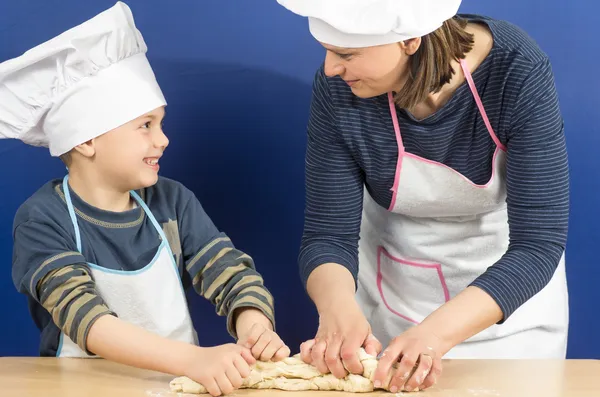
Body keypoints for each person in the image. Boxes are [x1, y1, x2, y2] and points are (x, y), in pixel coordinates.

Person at [277, 0, 569, 393]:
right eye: (328, 51)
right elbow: (328, 235)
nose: (330, 68)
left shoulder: (516, 69)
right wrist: (338, 311)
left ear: (410, 41)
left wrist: (434, 334)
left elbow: (537, 246)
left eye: (346, 54)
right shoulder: (339, 89)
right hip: (394, 309)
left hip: (511, 318)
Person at [0, 3, 289, 396]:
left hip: (177, 385)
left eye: (162, 123)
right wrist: (194, 359)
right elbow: (84, 318)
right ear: (86, 139)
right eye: (145, 126)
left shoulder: (171, 203)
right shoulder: (43, 219)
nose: (163, 139)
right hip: (80, 387)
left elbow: (230, 273)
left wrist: (254, 326)